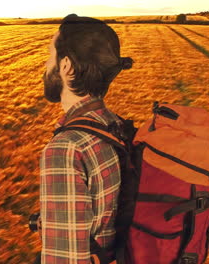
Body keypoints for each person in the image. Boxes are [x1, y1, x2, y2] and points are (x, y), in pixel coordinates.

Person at [39, 14, 133, 263]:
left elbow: (65, 258)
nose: (46, 66)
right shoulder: (116, 124)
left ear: (66, 66)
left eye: (50, 57)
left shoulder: (67, 149)